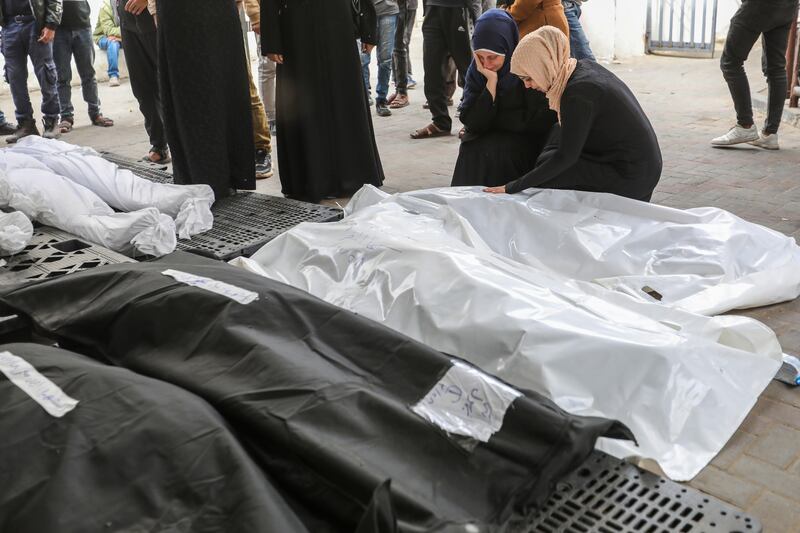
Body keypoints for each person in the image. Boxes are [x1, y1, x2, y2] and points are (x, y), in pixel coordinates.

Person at [485, 26, 661, 202]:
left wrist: (512, 187)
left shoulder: (578, 93)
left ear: (544, 66)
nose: (527, 85)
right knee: (549, 151)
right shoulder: (580, 67)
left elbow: (566, 158)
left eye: (528, 78)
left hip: (633, 175)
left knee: (549, 178)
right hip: (636, 162)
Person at [262, 0, 385, 202]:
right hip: (296, 29)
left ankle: (353, 175)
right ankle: (311, 179)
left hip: (339, 24)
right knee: (303, 102)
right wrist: (272, 39)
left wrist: (368, 28)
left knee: (344, 97)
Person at [147, 0, 255, 200]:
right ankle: (202, 177)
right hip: (178, 16)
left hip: (213, 12)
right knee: (189, 94)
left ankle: (224, 175)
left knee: (221, 88)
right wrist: (154, 9)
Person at [452, 9, 556, 187]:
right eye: (480, 57)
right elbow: (471, 121)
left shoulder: (528, 66)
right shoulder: (476, 71)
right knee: (471, 149)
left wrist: (492, 117)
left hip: (523, 142)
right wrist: (491, 84)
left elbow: (537, 121)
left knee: (499, 151)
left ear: (508, 48)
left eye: (492, 57)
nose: (486, 65)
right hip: (490, 137)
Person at [712, 0, 799, 150]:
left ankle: (745, 125)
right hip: (788, 4)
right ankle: (770, 134)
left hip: (759, 4)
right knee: (776, 68)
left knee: (730, 62)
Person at [411, 0, 479, 138]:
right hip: (432, 8)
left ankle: (474, 122)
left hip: (458, 7)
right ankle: (440, 122)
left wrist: (477, 16)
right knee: (431, 70)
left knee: (468, 70)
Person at [0, 0, 62, 143]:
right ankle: (25, 124)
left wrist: (51, 24)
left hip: (35, 23)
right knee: (14, 78)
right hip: (9, 26)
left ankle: (52, 121)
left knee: (46, 73)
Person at [118, 0, 168, 164]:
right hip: (127, 21)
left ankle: (190, 146)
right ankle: (159, 145)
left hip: (154, 18)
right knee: (142, 88)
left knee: (173, 83)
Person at [54, 0, 114, 133]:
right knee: (62, 77)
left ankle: (95, 113)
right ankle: (66, 116)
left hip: (82, 26)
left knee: (89, 74)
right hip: (58, 29)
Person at [240, 0, 273, 179]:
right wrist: (155, 10)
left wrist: (254, 14)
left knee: (246, 86)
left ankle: (261, 148)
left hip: (224, 14)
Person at [361, 0, 399, 117]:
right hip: (364, 11)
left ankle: (381, 99)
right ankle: (364, 96)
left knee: (385, 60)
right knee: (363, 58)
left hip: (388, 11)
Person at [387, 0, 417, 109]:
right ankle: (398, 90)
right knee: (394, 48)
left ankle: (402, 92)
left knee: (399, 46)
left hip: (403, 6)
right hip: (391, 6)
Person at [93, 0, 122, 87]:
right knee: (113, 43)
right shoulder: (105, 7)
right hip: (103, 37)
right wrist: (124, 33)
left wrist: (121, 36)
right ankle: (113, 75)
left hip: (121, 37)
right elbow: (109, 31)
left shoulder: (126, 4)